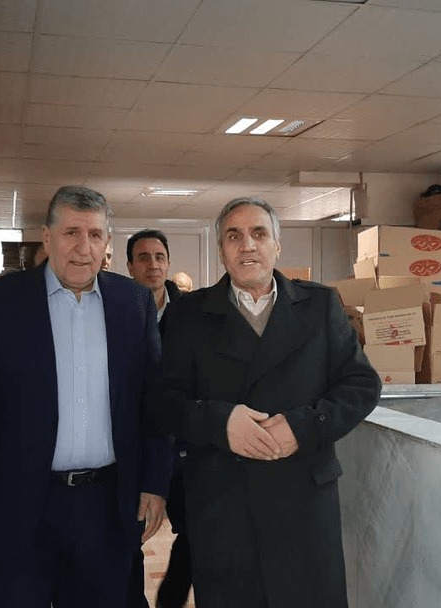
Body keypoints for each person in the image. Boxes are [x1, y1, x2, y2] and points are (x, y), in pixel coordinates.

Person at [0, 185, 172, 608]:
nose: (84, 248)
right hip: (20, 506)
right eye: (71, 233)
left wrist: (155, 484)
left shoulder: (133, 304)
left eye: (95, 235)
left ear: (107, 242)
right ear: (47, 237)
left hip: (107, 509)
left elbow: (154, 406)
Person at [155, 197, 382, 608]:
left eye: (259, 233)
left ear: (277, 245)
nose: (247, 245)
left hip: (303, 503)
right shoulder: (188, 315)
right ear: (221, 250)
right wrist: (221, 423)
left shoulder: (319, 306)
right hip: (224, 506)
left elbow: (361, 384)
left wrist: (304, 427)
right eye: (234, 236)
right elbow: (165, 402)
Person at [123, 230, 189, 608]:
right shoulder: (117, 314)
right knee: (129, 538)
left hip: (183, 448)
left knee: (195, 531)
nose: (153, 265)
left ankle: (169, 600)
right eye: (143, 258)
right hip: (136, 446)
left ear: (168, 263)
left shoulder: (191, 315)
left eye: (159, 257)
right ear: (130, 266)